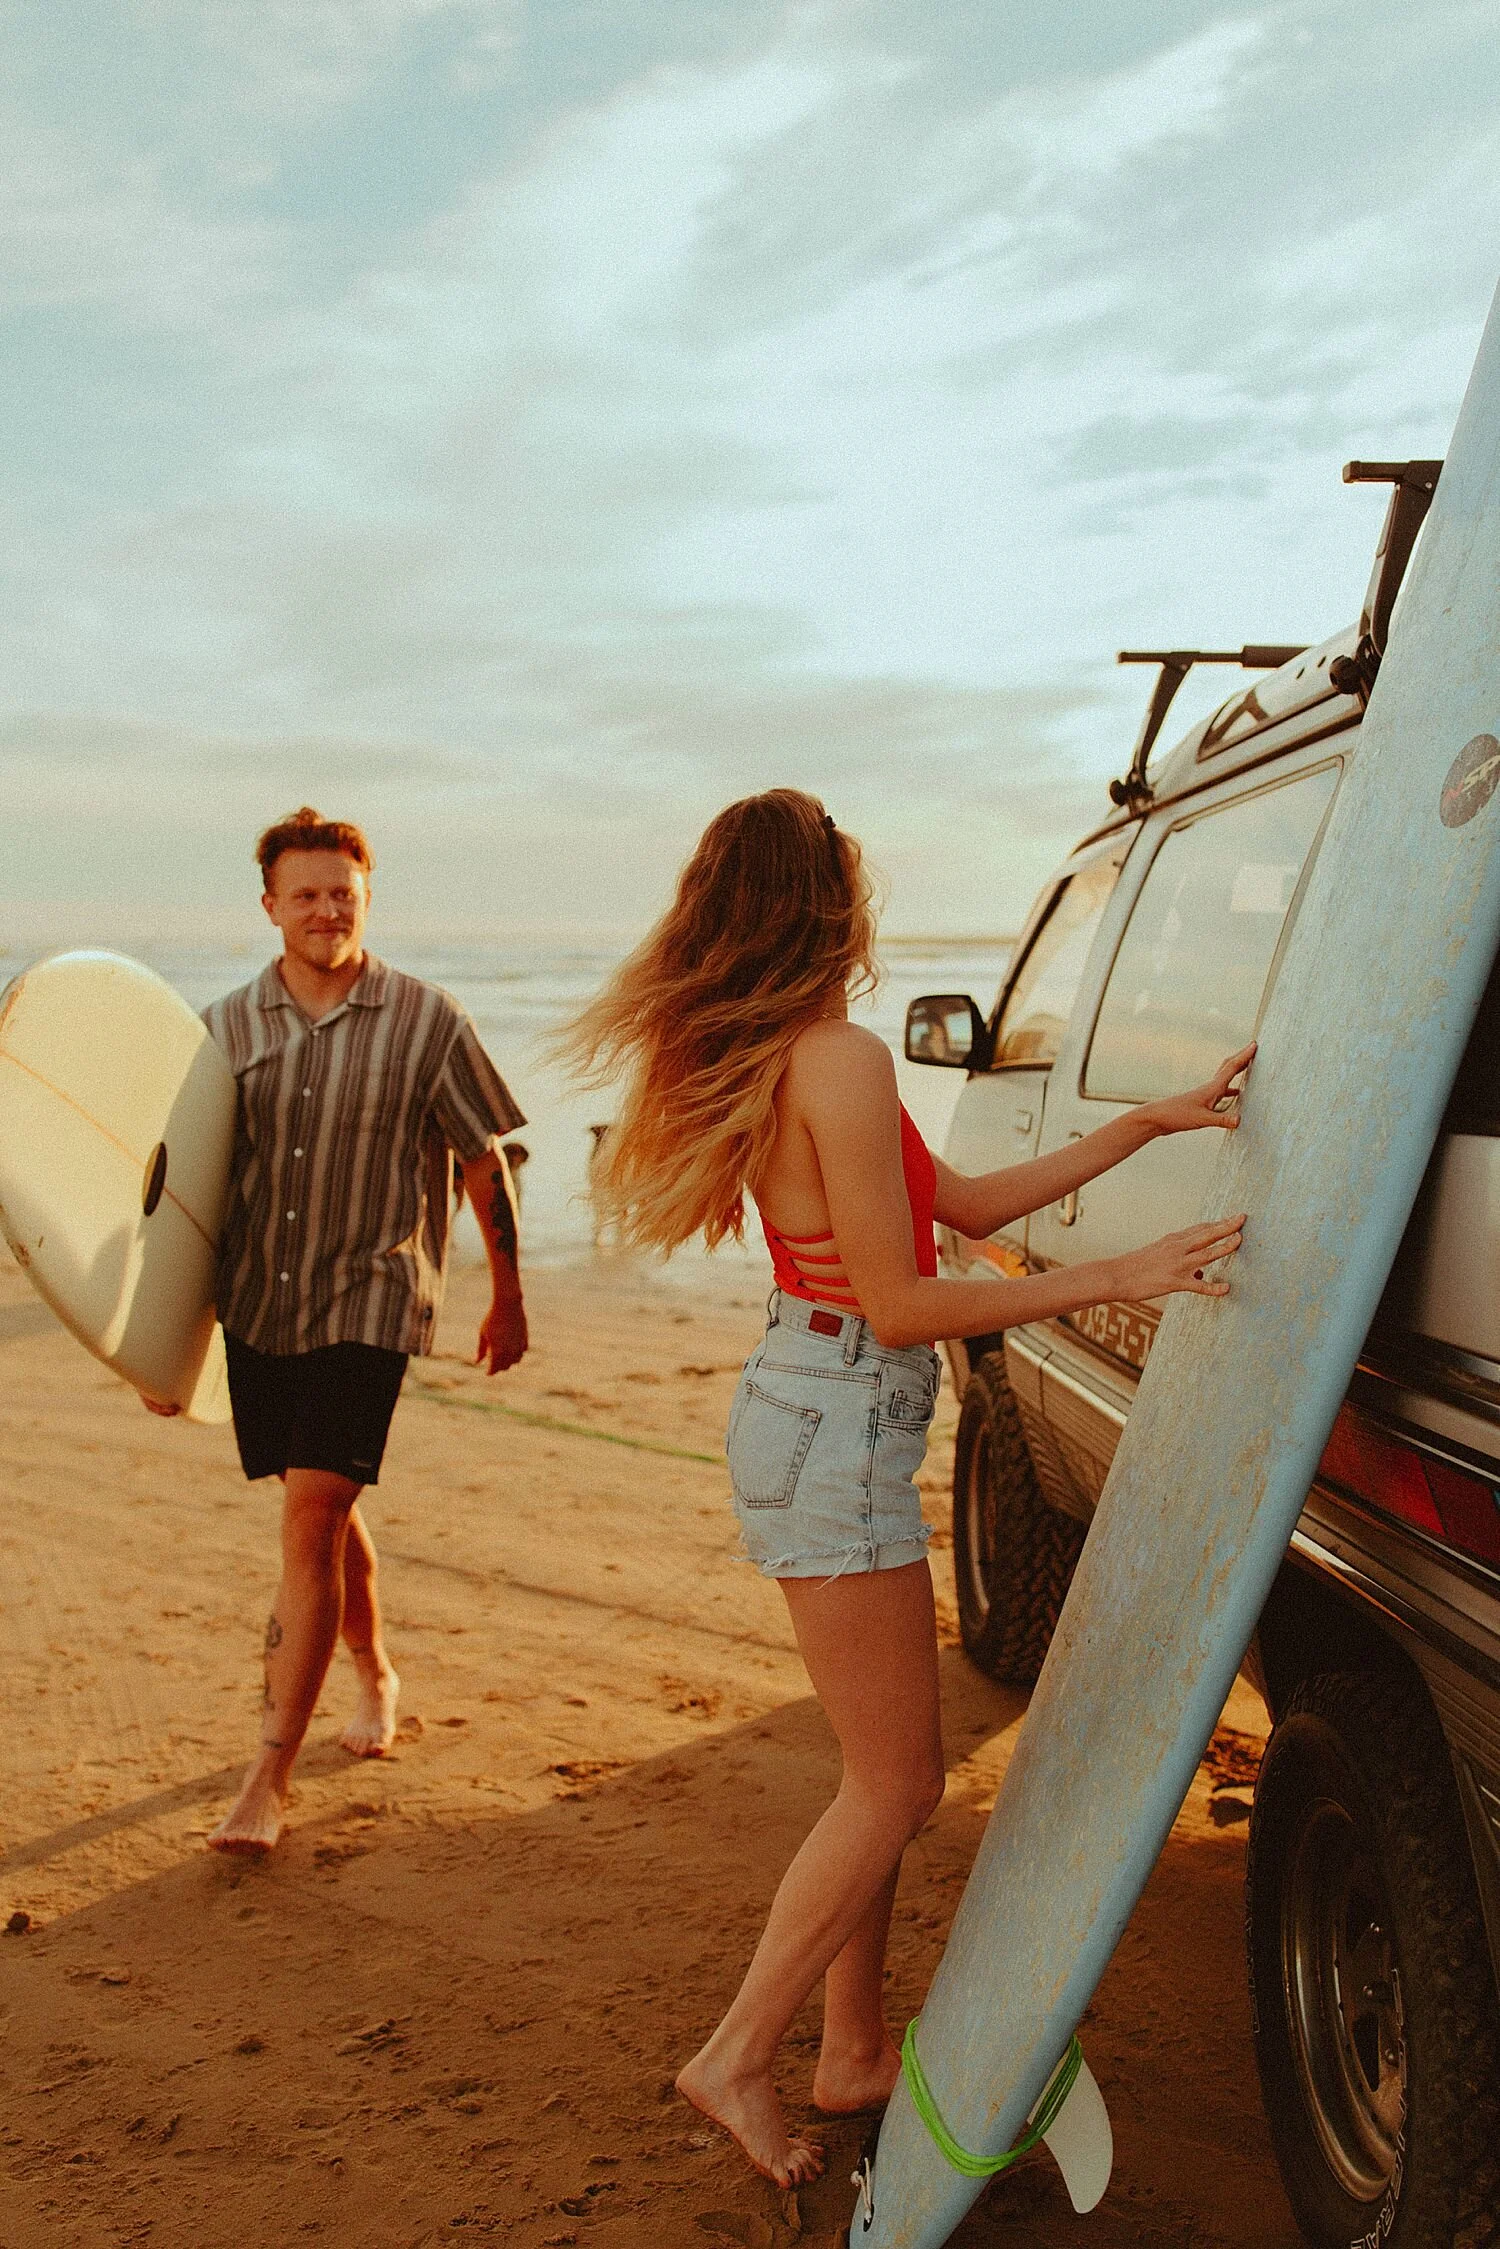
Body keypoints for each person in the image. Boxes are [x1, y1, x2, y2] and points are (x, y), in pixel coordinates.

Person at [560, 789, 1249, 2189]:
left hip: (807, 1412)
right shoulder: (843, 1058)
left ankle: (852, 2046)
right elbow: (896, 1301)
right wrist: (1119, 1274)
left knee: (874, 1771)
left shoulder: (787, 1059)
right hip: (838, 1417)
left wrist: (1154, 1125)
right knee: (897, 1784)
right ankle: (736, 2055)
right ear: (836, 905)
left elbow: (974, 1208)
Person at [170, 807, 529, 1853]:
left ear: (366, 897)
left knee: (313, 1512)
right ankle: (375, 1666)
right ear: (271, 904)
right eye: (306, 892)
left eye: (344, 891)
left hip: (372, 1296)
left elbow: (482, 1157)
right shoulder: (220, 1029)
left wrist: (508, 1295)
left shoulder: (427, 1019)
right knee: (316, 1508)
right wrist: (160, 1342)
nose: (327, 908)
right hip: (261, 1300)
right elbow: (184, 1193)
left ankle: (268, 1772)